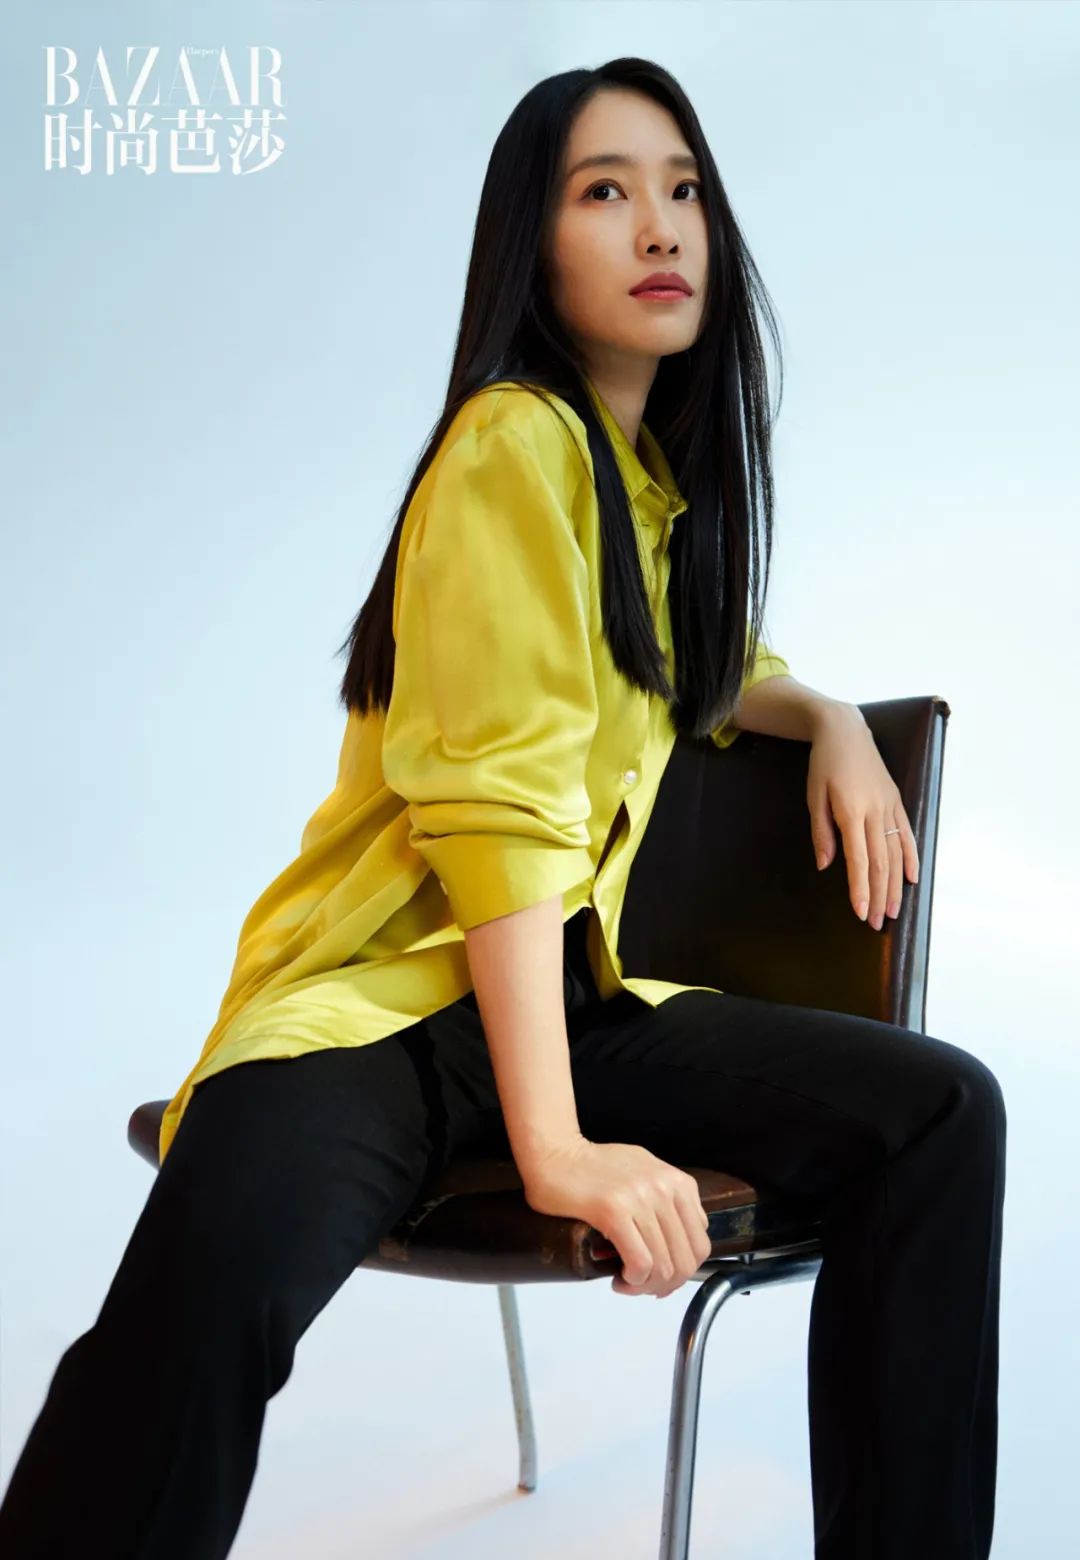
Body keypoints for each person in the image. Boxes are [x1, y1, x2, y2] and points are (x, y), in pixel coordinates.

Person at [0, 57, 1006, 1560]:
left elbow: (706, 667)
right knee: (205, 1300)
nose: (660, 226)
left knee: (941, 1112)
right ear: (530, 250)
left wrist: (831, 718)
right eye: (605, 192)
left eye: (684, 191)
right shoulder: (510, 445)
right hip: (385, 1012)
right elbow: (503, 822)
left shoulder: (640, 494)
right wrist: (559, 1149)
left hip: (567, 1006)